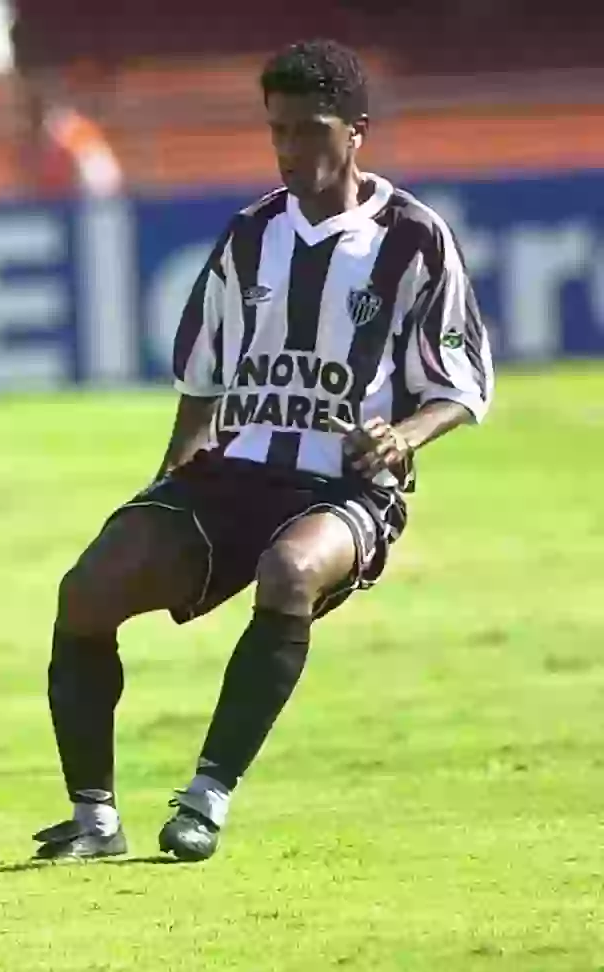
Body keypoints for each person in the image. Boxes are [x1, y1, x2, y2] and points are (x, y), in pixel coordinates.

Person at [32, 38, 494, 863]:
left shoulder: (415, 240)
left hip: (348, 487)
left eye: (311, 132)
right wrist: (173, 466)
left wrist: (403, 435)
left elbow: (460, 385)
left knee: (289, 574)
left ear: (357, 130)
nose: (292, 152)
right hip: (235, 474)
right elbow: (204, 375)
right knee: (87, 590)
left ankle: (206, 799)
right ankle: (93, 820)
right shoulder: (249, 234)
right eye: (278, 132)